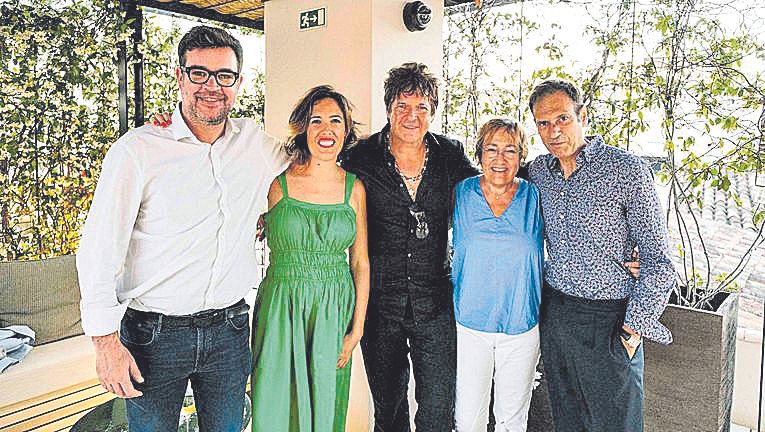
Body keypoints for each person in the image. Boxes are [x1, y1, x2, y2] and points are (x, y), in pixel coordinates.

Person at [76, 25, 288, 432]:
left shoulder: (255, 145)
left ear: (239, 83)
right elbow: (99, 252)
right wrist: (105, 344)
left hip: (229, 331)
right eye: (199, 73)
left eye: (224, 75)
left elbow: (311, 158)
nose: (212, 86)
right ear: (179, 76)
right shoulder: (136, 152)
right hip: (154, 337)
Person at [527, 79, 675, 432]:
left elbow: (659, 262)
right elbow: (495, 180)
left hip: (612, 318)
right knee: (567, 422)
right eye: (543, 123)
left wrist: (631, 331)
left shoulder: (627, 170)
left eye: (562, 118)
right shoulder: (537, 172)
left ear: (583, 116)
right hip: (558, 316)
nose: (553, 131)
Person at [340, 62, 480, 432]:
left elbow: (489, 193)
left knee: (437, 409)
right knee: (388, 408)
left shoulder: (451, 154)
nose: (411, 116)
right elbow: (319, 183)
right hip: (378, 305)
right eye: (402, 106)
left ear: (432, 111)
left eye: (421, 107)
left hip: (434, 302)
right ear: (388, 109)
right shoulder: (360, 158)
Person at [250, 85, 369, 432]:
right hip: (280, 307)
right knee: (274, 403)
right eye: (316, 120)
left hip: (333, 310)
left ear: (345, 131)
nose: (326, 129)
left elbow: (360, 262)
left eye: (335, 121)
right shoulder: (275, 183)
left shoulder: (354, 189)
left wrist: (356, 330)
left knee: (324, 404)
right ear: (303, 128)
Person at [451, 119, 542, 432]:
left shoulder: (536, 197)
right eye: (492, 149)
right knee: (467, 420)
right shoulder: (460, 194)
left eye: (510, 151)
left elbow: (573, 236)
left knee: (512, 421)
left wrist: (623, 257)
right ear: (479, 154)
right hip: (469, 326)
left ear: (520, 157)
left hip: (521, 326)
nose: (500, 159)